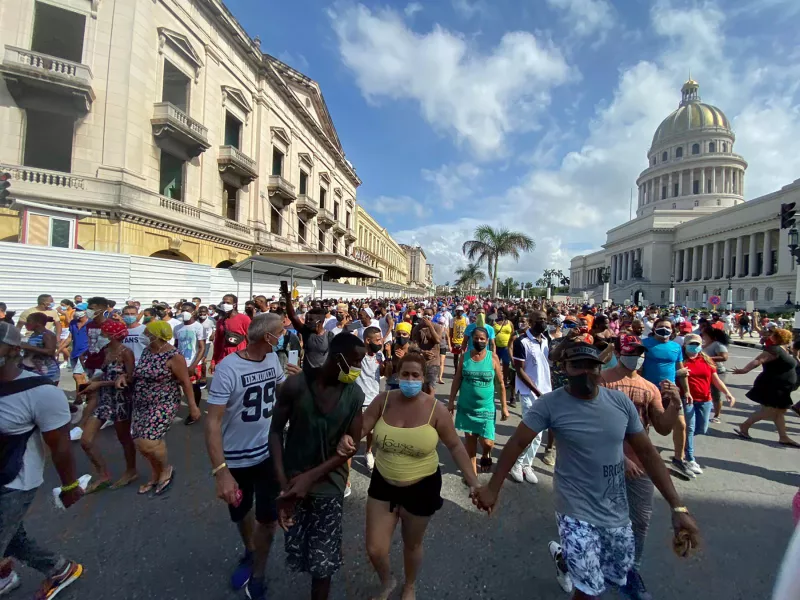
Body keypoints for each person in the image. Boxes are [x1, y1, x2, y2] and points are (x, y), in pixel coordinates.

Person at [471, 341, 701, 600]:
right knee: (589, 589)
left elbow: (648, 454)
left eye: (592, 366)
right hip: (574, 512)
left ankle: (564, 559)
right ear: (564, 369)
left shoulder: (619, 403)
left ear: (600, 369)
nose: (585, 372)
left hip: (616, 512)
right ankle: (573, 560)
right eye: (577, 366)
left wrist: (678, 507)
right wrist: (492, 488)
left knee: (616, 575)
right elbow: (517, 443)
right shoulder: (550, 405)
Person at [337, 347, 479, 600]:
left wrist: (473, 483)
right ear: (397, 374)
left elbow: (456, 446)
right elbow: (362, 428)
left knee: (412, 544)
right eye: (406, 374)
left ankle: (410, 585)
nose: (410, 380)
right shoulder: (383, 401)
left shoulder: (437, 410)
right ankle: (387, 580)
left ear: (424, 378)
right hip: (383, 484)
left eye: (415, 375)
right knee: (375, 548)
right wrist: (347, 438)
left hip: (421, 487)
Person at [205, 313, 300, 599]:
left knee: (268, 518)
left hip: (268, 452)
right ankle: (249, 549)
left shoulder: (272, 359)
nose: (283, 336)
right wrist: (220, 471)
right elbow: (212, 423)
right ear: (265, 337)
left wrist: (297, 384)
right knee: (240, 512)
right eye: (280, 332)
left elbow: (280, 389)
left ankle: (258, 572)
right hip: (235, 458)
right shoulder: (228, 369)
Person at [268, 334, 366, 600]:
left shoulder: (354, 394)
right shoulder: (296, 386)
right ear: (338, 358)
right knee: (299, 551)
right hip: (292, 484)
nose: (359, 367)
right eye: (356, 361)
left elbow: (352, 445)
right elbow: (275, 432)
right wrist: (283, 486)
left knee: (323, 564)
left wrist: (310, 477)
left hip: (329, 487)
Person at [0, 323, 84, 599]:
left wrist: (70, 486)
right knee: (12, 536)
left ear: (13, 350)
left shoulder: (41, 393)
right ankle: (57, 569)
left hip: (15, 481)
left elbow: (60, 446)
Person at [601, 335, 682, 599]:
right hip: (604, 460)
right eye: (632, 351)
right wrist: (617, 457)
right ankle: (591, 564)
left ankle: (630, 572)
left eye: (640, 352)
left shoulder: (649, 387)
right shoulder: (603, 381)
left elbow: (662, 427)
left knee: (640, 520)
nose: (637, 356)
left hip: (641, 461)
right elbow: (593, 424)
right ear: (620, 352)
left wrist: (675, 404)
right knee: (602, 518)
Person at [117, 320, 199, 496]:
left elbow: (185, 382)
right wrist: (125, 376)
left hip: (163, 403)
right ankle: (155, 472)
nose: (144, 336)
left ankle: (165, 470)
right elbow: (138, 374)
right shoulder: (148, 351)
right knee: (140, 441)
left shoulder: (173, 356)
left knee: (149, 441)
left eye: (147, 333)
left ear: (156, 336)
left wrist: (193, 407)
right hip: (141, 402)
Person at [76, 319, 137, 492]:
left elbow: (130, 378)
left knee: (124, 439)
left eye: (103, 333)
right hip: (104, 401)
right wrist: (91, 383)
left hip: (120, 401)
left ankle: (131, 470)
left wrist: (100, 384)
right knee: (86, 441)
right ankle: (103, 474)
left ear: (112, 335)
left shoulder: (126, 352)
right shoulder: (106, 350)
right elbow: (103, 372)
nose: (101, 336)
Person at [448, 326, 508, 475]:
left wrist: (504, 407)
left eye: (482, 339)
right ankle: (472, 476)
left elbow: (500, 383)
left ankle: (487, 454)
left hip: (486, 407)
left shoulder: (492, 357)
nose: (479, 341)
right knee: (470, 440)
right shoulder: (465, 356)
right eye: (476, 338)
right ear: (471, 340)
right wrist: (451, 402)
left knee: (488, 442)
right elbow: (457, 379)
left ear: (487, 341)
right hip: (466, 406)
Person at [733, 328, 799, 447]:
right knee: (770, 411)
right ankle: (744, 426)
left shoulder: (783, 349)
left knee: (779, 412)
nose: (770, 336)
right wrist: (744, 370)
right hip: (772, 386)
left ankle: (783, 437)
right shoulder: (774, 349)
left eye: (773, 334)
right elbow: (758, 360)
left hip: (781, 387)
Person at [641, 318, 691, 478]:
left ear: (673, 330)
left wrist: (687, 391)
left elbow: (682, 371)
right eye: (661, 327)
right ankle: (643, 459)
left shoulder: (676, 347)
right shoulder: (645, 344)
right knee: (643, 426)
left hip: (670, 392)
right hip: (649, 392)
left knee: (681, 425)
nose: (664, 329)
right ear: (654, 328)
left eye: (667, 327)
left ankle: (679, 459)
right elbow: (639, 368)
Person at [680, 334, 736, 476]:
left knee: (702, 428)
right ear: (685, 345)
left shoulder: (706, 360)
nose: (695, 346)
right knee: (690, 428)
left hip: (705, 400)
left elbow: (715, 380)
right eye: (692, 344)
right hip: (688, 400)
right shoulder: (680, 360)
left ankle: (684, 442)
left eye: (698, 343)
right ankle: (689, 457)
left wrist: (728, 393)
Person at [510, 310, 551, 484]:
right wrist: (535, 390)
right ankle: (516, 465)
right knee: (530, 432)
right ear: (531, 321)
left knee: (540, 433)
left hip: (545, 391)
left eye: (544, 319)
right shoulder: (522, 342)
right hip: (529, 392)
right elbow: (519, 370)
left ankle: (527, 464)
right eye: (539, 320)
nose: (542, 322)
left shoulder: (546, 340)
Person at [355, 327, 385, 473]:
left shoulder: (380, 355)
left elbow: (385, 373)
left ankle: (368, 451)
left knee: (372, 432)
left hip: (374, 399)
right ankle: (346, 457)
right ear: (368, 340)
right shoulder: (358, 355)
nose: (380, 342)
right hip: (359, 400)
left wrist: (389, 364)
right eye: (377, 340)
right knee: (354, 431)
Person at [285, 289, 334, 376]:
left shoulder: (329, 335)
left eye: (310, 320)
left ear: (320, 321)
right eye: (307, 319)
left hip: (322, 378)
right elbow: (292, 317)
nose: (307, 322)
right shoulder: (306, 332)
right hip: (306, 376)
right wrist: (288, 299)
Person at [173, 302, 207, 426]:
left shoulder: (198, 327)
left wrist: (194, 365)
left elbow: (202, 347)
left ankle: (194, 410)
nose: (184, 312)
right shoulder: (177, 327)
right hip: (180, 362)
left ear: (193, 312)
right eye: (182, 310)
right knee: (181, 386)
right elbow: (176, 345)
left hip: (193, 362)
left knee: (193, 387)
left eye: (187, 310)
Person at [212, 294, 251, 371]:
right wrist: (214, 361)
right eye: (223, 302)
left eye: (228, 303)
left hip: (240, 358)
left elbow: (250, 340)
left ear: (234, 305)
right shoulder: (220, 322)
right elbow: (218, 343)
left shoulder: (244, 319)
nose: (225, 305)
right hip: (224, 358)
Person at [19, 313, 60, 384]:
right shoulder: (34, 334)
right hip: (35, 370)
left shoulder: (47, 335)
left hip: (47, 372)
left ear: (38, 323)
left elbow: (50, 351)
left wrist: (29, 347)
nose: (26, 323)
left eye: (29, 321)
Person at [411, 308, 443, 395]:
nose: (427, 316)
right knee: (420, 387)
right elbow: (414, 346)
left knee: (430, 387)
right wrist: (422, 352)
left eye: (429, 314)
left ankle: (430, 406)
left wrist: (430, 326)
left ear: (432, 316)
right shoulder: (417, 328)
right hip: (420, 361)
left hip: (433, 362)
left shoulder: (437, 327)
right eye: (425, 314)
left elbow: (438, 340)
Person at [701, 327, 730, 423]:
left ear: (710, 336)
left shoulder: (718, 344)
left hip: (718, 372)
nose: (702, 336)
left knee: (716, 394)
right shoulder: (705, 344)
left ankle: (717, 415)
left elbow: (724, 357)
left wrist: (707, 358)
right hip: (706, 371)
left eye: (704, 334)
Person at [386, 322, 412, 391]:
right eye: (398, 334)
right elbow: (386, 370)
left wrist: (404, 359)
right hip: (392, 382)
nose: (401, 336)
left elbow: (415, 368)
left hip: (407, 383)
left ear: (409, 335)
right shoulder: (391, 347)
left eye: (404, 334)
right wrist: (388, 354)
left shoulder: (412, 349)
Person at [493, 310, 514, 387]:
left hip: (506, 348)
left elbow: (513, 334)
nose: (501, 314)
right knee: (495, 365)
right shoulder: (494, 322)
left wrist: (511, 346)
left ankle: (504, 382)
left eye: (502, 313)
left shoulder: (509, 323)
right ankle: (495, 381)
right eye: (499, 313)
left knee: (506, 365)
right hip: (496, 347)